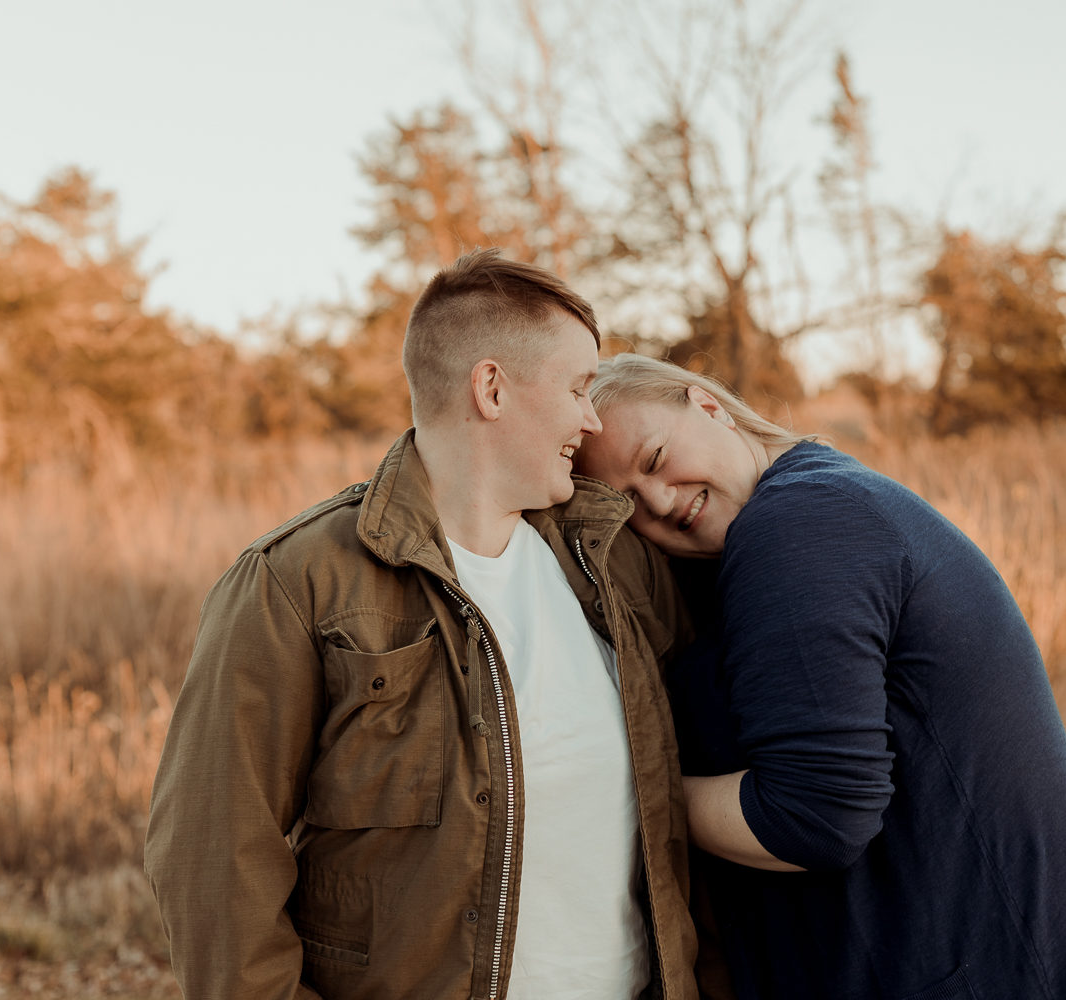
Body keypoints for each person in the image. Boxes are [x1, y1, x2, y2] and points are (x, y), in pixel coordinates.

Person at [145, 251, 702, 1000]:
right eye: (576, 388)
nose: (590, 419)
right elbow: (212, 855)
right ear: (492, 388)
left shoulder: (612, 562)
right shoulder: (295, 581)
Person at [573, 352, 1066, 1000]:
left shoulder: (797, 525)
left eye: (656, 459)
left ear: (709, 407)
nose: (658, 503)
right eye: (626, 504)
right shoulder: (805, 511)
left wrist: (623, 789)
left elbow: (812, 814)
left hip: (999, 969)